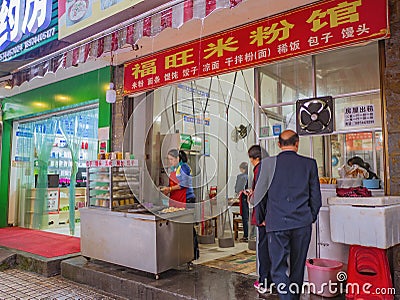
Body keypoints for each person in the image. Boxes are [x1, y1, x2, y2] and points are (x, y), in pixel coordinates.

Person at [254, 130, 321, 300]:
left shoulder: (266, 165)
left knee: (278, 268)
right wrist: (309, 217)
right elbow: (316, 198)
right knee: (297, 268)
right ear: (297, 143)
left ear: (278, 144)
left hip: (276, 223)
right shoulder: (309, 164)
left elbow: (259, 197)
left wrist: (261, 219)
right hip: (302, 224)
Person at [244, 145, 273, 293]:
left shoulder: (259, 169)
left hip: (265, 217)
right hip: (273, 215)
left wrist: (261, 218)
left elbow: (261, 197)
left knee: (263, 249)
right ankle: (271, 280)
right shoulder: (270, 166)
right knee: (271, 248)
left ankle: (264, 282)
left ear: (254, 158)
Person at [161, 149, 199, 259]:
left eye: (172, 159)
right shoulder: (175, 169)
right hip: (178, 200)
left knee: (188, 228)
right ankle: (183, 253)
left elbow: (183, 185)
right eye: (169, 160)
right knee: (182, 228)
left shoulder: (184, 167)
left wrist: (169, 189)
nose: (170, 162)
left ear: (178, 158)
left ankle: (193, 253)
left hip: (187, 200)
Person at [234, 162, 249, 242]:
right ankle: (249, 234)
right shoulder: (250, 176)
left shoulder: (241, 177)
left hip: (243, 197)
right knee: (248, 217)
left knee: (244, 217)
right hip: (250, 198)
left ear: (242, 169)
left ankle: (246, 235)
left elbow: (237, 188)